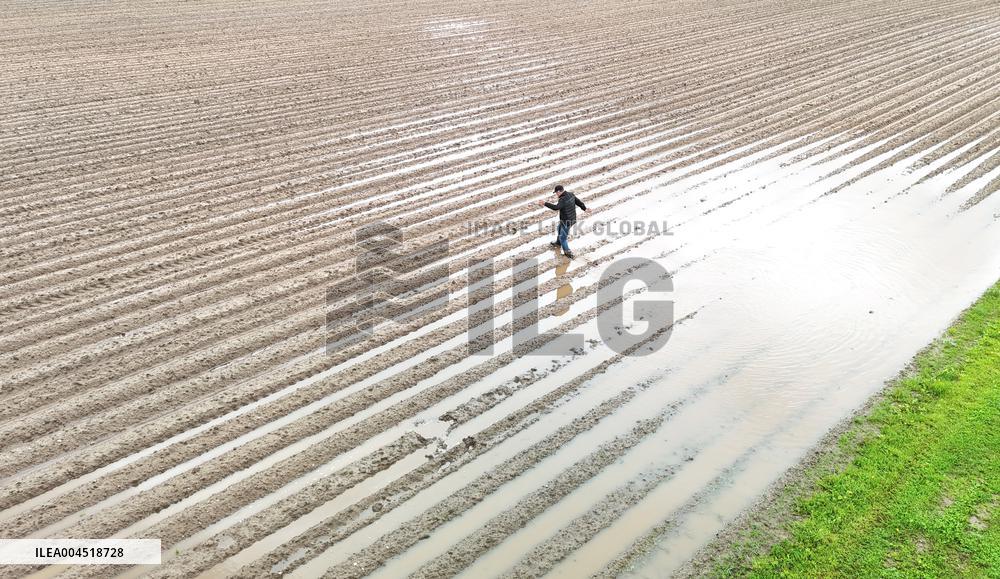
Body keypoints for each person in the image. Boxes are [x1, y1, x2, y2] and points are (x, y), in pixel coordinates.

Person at [537, 185, 586, 259]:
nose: (556, 194)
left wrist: (545, 203)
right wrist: (585, 208)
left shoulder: (562, 199)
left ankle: (568, 252)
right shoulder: (571, 194)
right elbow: (579, 202)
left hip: (567, 221)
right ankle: (558, 243)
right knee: (559, 228)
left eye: (556, 193)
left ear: (559, 191)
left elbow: (556, 207)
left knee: (563, 238)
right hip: (570, 219)